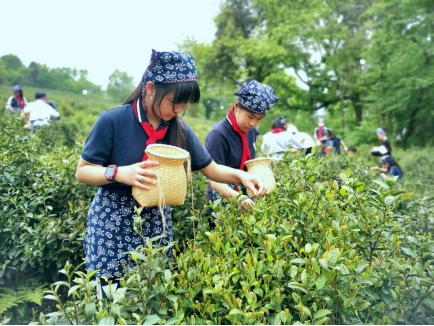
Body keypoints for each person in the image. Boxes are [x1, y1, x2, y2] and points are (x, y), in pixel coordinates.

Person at [74, 50, 266, 297]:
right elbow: (83, 171)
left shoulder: (178, 129)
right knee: (113, 301)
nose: (179, 109)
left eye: (185, 104)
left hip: (156, 223)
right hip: (112, 225)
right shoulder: (113, 121)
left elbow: (211, 168)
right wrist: (119, 173)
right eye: (175, 102)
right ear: (151, 88)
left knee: (154, 300)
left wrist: (242, 177)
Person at [205, 79, 278, 214]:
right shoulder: (218, 134)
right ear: (236, 106)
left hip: (245, 200)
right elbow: (214, 181)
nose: (252, 123)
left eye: (259, 119)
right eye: (250, 116)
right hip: (222, 202)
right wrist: (238, 198)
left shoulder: (249, 132)